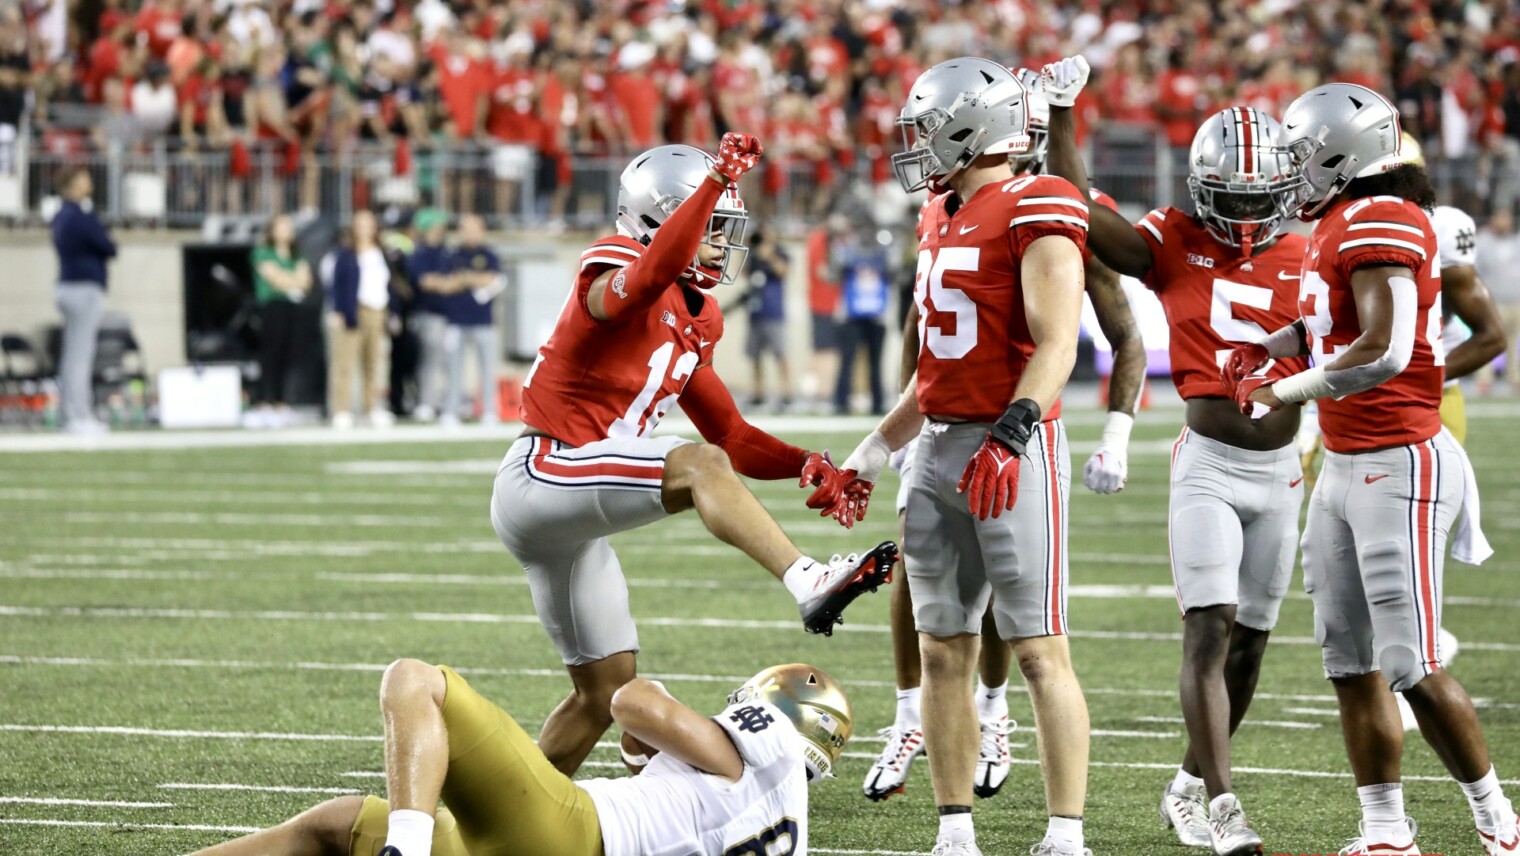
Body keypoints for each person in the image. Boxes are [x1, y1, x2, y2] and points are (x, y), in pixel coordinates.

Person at [493, 136, 896, 777]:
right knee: (696, 462)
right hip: (545, 471)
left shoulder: (699, 314)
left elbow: (733, 433)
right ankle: (807, 581)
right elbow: (645, 278)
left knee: (605, 697)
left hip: (578, 505)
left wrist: (807, 462)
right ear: (664, 216)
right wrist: (712, 183)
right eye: (712, 226)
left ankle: (507, 827)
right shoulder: (614, 261)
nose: (720, 242)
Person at [1227, 82, 1516, 856]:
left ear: (1341, 154)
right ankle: (1386, 832)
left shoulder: (1382, 216)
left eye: (1300, 153)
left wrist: (1280, 386)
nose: (1292, 168)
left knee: (1411, 664)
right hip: (1346, 462)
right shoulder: (1341, 220)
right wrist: (1273, 346)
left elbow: (1385, 348)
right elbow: (1330, 323)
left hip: (1400, 461)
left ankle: (1500, 823)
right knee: (1349, 662)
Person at [1044, 57, 1310, 856]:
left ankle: (1190, 785)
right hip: (1211, 467)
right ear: (1203, 190)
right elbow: (1082, 212)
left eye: (1262, 201)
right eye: (1234, 200)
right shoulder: (1172, 239)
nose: (1249, 218)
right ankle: (1227, 807)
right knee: (1210, 628)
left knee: (1252, 647)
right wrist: (1062, 112)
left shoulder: (1309, 252)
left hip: (1285, 471)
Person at [862, 67, 1147, 811]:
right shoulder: (940, 210)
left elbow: (1062, 343)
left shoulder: (1040, 198)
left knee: (1037, 651)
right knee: (938, 647)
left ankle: (1065, 832)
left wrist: (1014, 431)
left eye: (930, 128)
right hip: (937, 442)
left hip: (1009, 448)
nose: (919, 145)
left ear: (971, 130)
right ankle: (954, 831)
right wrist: (870, 452)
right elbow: (931, 360)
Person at [189, 660, 853, 856]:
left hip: (567, 831)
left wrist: (657, 703)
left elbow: (632, 704)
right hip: (574, 844)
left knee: (414, 681)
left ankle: (407, 853)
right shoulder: (778, 816)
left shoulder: (755, 754)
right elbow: (655, 771)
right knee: (333, 829)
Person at [51, 166, 117, 435]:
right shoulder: (80, 216)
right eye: (83, 178)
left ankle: (69, 414)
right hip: (83, 288)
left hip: (67, 287)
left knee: (72, 356)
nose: (88, 182)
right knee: (80, 356)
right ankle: (78, 415)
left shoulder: (60, 216)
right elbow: (108, 246)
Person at [329, 209, 394, 429]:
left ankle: (371, 407)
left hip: (377, 311)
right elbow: (337, 285)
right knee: (345, 363)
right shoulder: (346, 253)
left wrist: (391, 313)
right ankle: (342, 409)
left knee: (373, 362)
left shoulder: (381, 251)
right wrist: (338, 311)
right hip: (354, 310)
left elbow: (388, 284)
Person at [248, 213, 313, 429]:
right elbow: (275, 279)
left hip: (291, 308)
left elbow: (305, 281)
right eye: (282, 226)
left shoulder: (296, 255)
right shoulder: (262, 253)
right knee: (270, 355)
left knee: (289, 356)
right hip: (271, 308)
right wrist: (292, 281)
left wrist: (290, 281)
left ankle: (281, 402)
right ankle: (263, 402)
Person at [441, 213, 502, 426]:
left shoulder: (489, 254)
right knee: (454, 369)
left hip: (483, 321)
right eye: (466, 229)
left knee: (487, 369)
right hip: (456, 320)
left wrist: (465, 278)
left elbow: (494, 279)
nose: (471, 234)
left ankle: (489, 411)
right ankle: (452, 410)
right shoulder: (452, 254)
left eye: (474, 229)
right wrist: (474, 279)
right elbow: (446, 284)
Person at [832, 219, 892, 415]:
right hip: (852, 315)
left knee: (875, 363)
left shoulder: (884, 251)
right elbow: (836, 270)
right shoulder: (849, 251)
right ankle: (841, 401)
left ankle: (877, 402)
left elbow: (894, 271)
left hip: (876, 315)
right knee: (847, 360)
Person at [406, 208, 452, 422]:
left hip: (449, 315)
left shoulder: (446, 252)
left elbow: (457, 279)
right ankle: (425, 402)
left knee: (446, 360)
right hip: (428, 314)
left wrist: (450, 283)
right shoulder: (419, 253)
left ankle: (445, 401)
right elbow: (425, 282)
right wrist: (450, 283)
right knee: (429, 361)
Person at [744, 231, 793, 410]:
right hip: (755, 312)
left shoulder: (780, 253)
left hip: (774, 313)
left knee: (780, 354)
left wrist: (770, 255)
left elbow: (782, 271)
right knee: (755, 356)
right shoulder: (753, 256)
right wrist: (749, 250)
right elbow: (743, 273)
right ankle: (758, 393)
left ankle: (787, 393)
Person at [1475, 208, 1520, 395]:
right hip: (1494, 302)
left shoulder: (1516, 241)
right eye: (1500, 217)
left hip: (1515, 300)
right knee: (1489, 340)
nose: (1504, 222)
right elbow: (1475, 271)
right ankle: (1485, 379)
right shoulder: (1484, 241)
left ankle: (1515, 379)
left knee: (1513, 343)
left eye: (1506, 218)